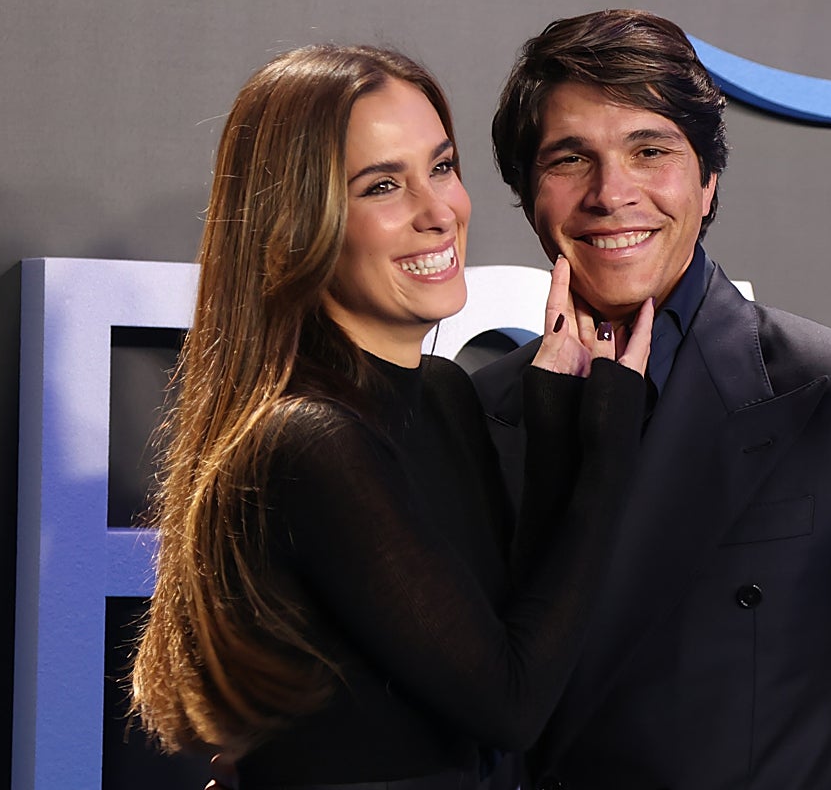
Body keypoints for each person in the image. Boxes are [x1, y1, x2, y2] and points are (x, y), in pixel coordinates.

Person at [470, 9, 831, 789]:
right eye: (571, 159)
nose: (611, 193)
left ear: (707, 182)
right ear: (528, 194)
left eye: (650, 151)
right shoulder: (475, 411)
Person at [130, 43, 652, 790]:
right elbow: (508, 707)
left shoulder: (440, 392)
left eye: (441, 167)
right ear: (297, 224)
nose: (438, 212)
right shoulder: (311, 441)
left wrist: (559, 412)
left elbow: (526, 638)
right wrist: (608, 450)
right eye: (382, 186)